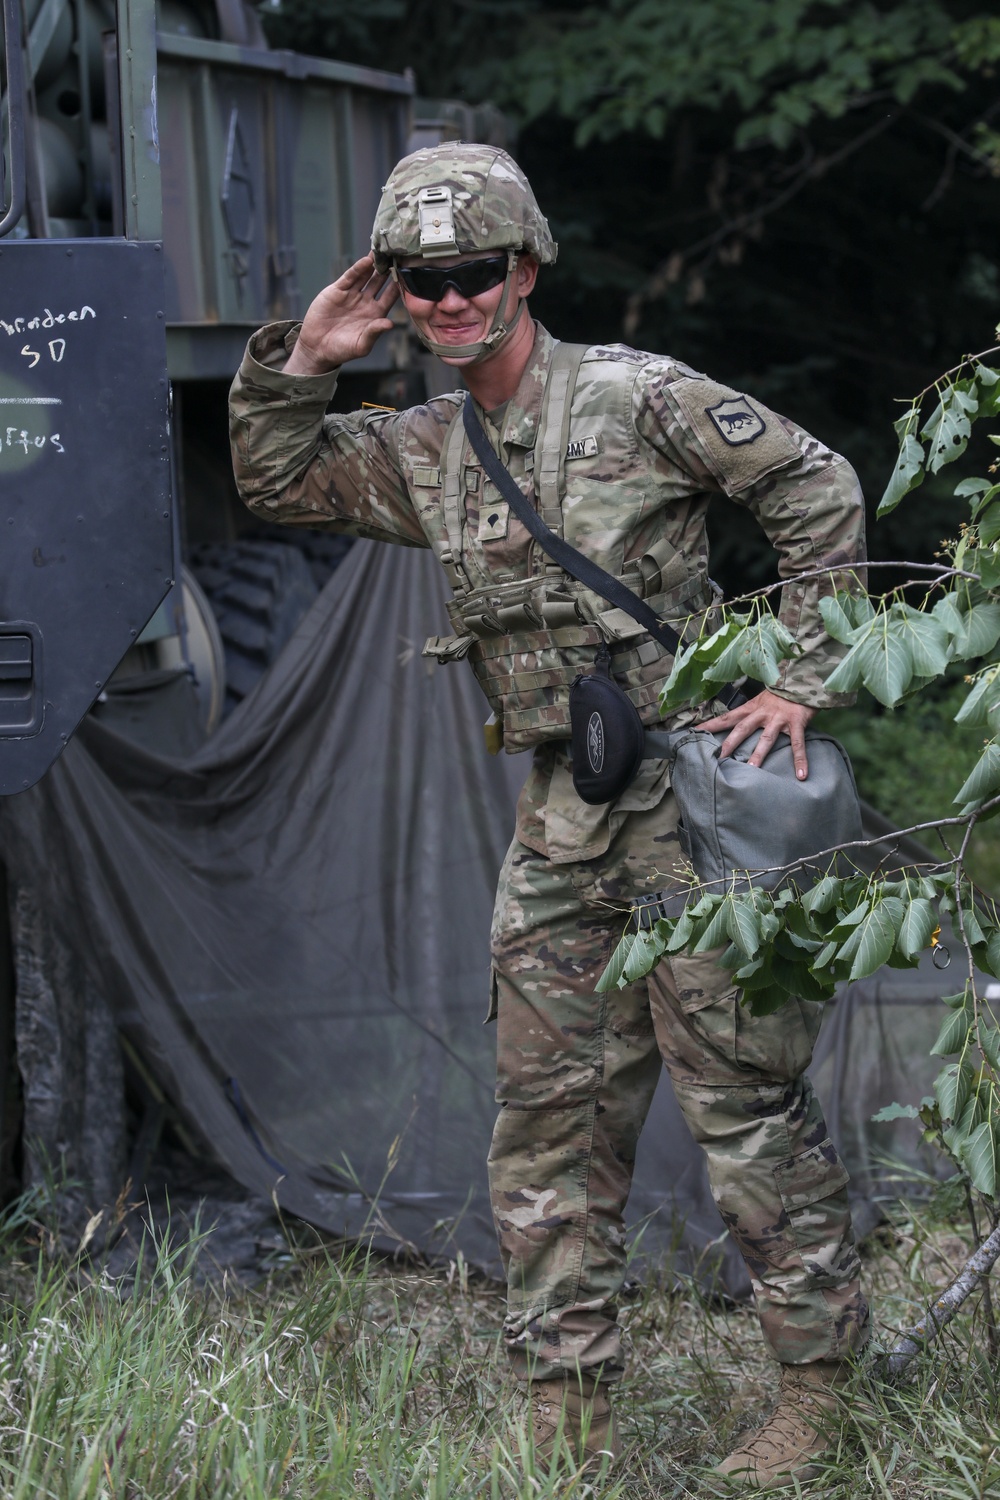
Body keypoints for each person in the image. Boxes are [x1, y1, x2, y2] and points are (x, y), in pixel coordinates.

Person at [229, 142, 869, 1488]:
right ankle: (565, 1414)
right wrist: (309, 357)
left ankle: (818, 1393)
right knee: (547, 1122)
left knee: (740, 1108)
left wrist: (804, 681)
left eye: (471, 274)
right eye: (420, 280)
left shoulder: (639, 399)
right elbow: (277, 483)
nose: (450, 301)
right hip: (564, 817)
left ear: (525, 269)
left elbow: (816, 486)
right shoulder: (426, 447)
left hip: (694, 808)